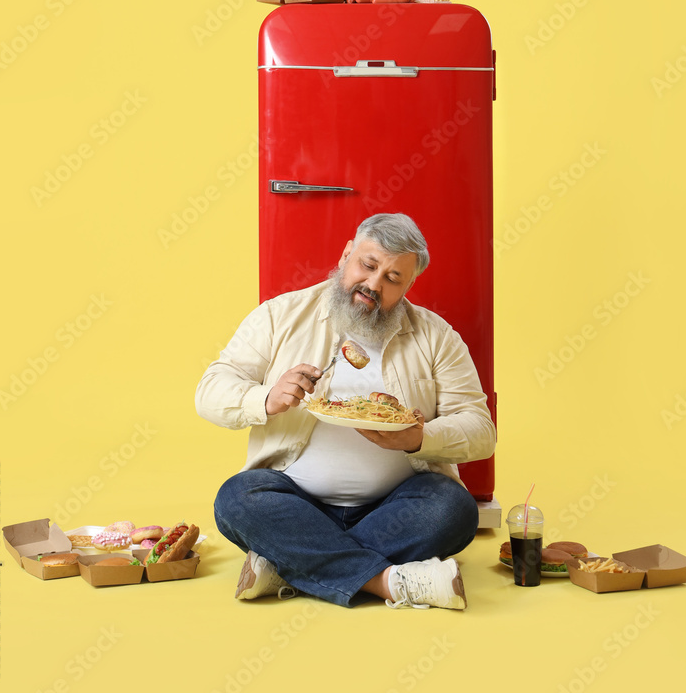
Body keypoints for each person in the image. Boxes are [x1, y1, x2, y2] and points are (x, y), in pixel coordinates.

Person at [195, 213, 495, 610]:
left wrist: (419, 438)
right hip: (295, 500)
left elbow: (480, 429)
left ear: (408, 286)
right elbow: (209, 391)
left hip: (395, 505)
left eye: (392, 278)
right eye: (368, 266)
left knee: (454, 509)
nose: (373, 285)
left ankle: (289, 565)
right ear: (346, 254)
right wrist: (266, 398)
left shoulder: (437, 336)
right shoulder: (279, 315)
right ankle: (393, 582)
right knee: (237, 499)